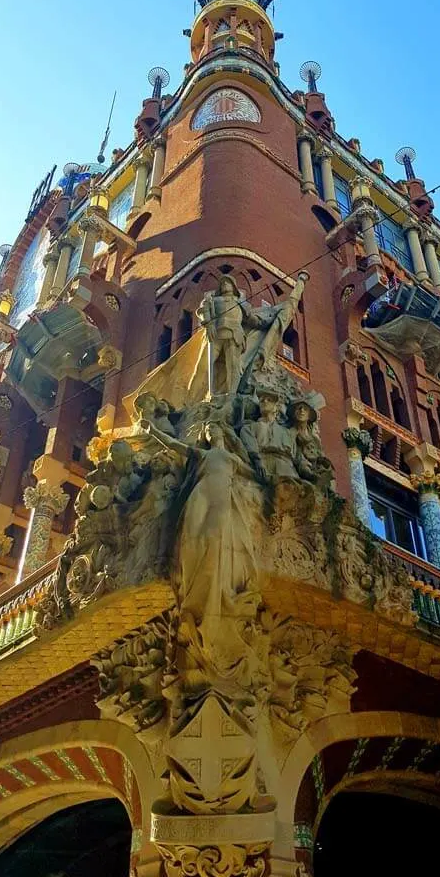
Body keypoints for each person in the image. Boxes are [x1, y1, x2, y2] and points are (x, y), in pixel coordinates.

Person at [141, 416, 263, 688]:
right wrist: (154, 431)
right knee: (191, 537)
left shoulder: (230, 458)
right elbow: (175, 445)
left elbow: (255, 475)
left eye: (214, 428)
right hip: (201, 492)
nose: (210, 432)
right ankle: (190, 583)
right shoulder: (201, 454)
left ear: (222, 432)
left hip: (222, 495)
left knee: (215, 538)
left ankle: (210, 591)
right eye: (207, 430)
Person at [196, 275, 265, 395]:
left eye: (227, 283)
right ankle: (208, 393)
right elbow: (203, 310)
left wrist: (263, 323)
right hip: (216, 334)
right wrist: (209, 323)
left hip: (234, 335)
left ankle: (231, 394)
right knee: (207, 364)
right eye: (222, 284)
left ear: (234, 287)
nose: (224, 285)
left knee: (233, 365)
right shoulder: (213, 301)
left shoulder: (241, 303)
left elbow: (251, 319)